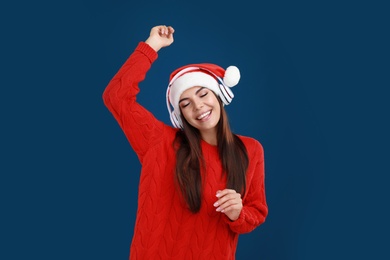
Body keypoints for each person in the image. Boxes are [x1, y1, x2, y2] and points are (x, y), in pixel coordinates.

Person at [103, 25, 268, 260]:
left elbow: (255, 213)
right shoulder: (159, 141)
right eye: (185, 103)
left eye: (203, 94)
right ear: (180, 114)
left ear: (218, 96)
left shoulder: (250, 150)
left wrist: (238, 213)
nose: (198, 106)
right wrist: (152, 46)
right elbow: (116, 97)